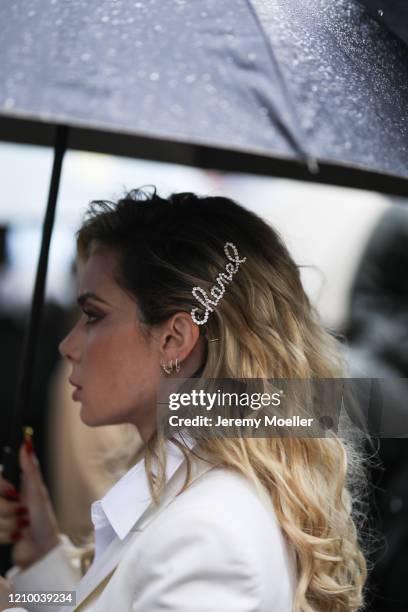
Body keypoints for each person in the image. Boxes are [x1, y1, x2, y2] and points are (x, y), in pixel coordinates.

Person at [0, 189, 367, 611]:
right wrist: (42, 559)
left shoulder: (206, 533)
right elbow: (84, 603)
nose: (68, 344)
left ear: (174, 338)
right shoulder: (187, 495)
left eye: (94, 315)